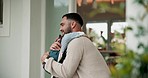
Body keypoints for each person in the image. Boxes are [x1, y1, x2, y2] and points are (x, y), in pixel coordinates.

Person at [41, 13, 110, 78]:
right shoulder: (79, 41)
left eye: (62, 25)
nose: (60, 29)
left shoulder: (78, 41)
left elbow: (66, 72)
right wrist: (56, 54)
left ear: (73, 24)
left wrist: (46, 60)